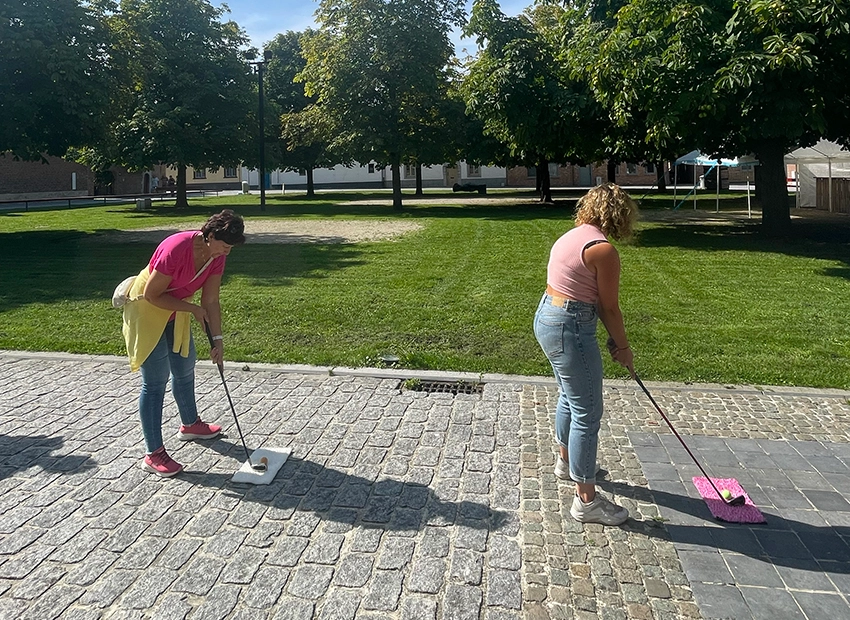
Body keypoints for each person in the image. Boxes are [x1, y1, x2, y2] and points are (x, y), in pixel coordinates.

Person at [533, 183, 637, 525]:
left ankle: (567, 463)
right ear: (620, 215)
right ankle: (587, 502)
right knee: (588, 411)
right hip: (570, 326)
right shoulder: (603, 250)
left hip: (548, 316)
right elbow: (609, 307)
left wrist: (611, 339)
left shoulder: (573, 235)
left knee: (570, 395)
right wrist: (622, 347)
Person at [122, 210, 246, 477]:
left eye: (230, 249)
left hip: (176, 310)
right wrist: (190, 308)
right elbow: (152, 294)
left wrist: (218, 340)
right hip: (147, 309)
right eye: (224, 246)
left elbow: (210, 301)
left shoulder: (216, 258)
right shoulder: (176, 247)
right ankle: (153, 454)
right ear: (210, 236)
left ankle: (190, 425)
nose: (227, 253)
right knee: (155, 381)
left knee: (185, 367)